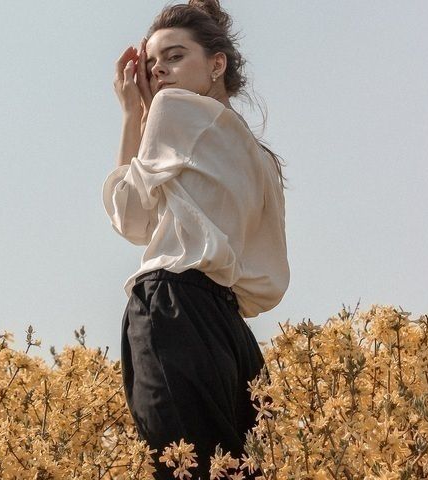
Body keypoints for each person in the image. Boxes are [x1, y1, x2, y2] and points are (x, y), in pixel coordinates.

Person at [102, 1, 290, 478]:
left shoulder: (170, 109)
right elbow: (268, 276)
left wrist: (133, 113)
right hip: (232, 332)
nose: (159, 71)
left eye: (175, 56)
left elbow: (129, 217)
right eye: (152, 64)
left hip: (173, 308)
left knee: (181, 465)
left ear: (216, 64)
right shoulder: (262, 159)